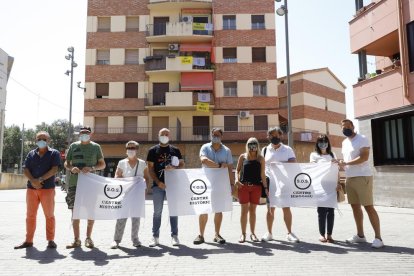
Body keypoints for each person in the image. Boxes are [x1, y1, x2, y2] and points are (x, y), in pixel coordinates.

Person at [338, 119, 384, 248]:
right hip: (350, 177)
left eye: (348, 126)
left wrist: (346, 163)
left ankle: (378, 238)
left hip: (362, 176)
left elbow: (364, 157)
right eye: (343, 127)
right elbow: (347, 159)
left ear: (353, 126)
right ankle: (360, 236)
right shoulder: (344, 142)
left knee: (368, 206)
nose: (345, 129)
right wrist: (341, 162)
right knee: (355, 207)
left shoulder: (362, 138)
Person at [14, 131, 61, 249]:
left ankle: (50, 240)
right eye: (39, 138)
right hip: (31, 189)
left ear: (49, 141)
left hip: (47, 189)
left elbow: (54, 169)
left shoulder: (54, 153)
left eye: (44, 139)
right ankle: (28, 241)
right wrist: (33, 181)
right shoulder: (31, 154)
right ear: (36, 140)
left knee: (49, 215)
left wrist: (39, 180)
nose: (41, 141)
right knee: (30, 215)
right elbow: (26, 169)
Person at [64, 126, 106, 249]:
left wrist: (92, 168)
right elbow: (66, 163)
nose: (84, 135)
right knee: (74, 213)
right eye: (82, 133)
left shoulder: (96, 147)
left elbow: (102, 164)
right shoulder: (73, 146)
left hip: (91, 184)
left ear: (90, 134)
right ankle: (76, 240)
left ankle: (88, 238)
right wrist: (71, 168)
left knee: (90, 212)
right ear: (79, 134)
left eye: (86, 133)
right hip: (74, 184)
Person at [194, 127, 235, 245]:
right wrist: (219, 166)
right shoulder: (205, 147)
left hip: (221, 185)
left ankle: (217, 235)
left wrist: (232, 184)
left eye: (218, 135)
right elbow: (204, 160)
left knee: (219, 209)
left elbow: (230, 168)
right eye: (213, 135)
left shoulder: (227, 151)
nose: (215, 137)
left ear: (221, 137)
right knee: (203, 209)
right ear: (211, 135)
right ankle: (201, 235)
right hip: (206, 184)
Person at [147, 128, 184, 247]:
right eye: (162, 134)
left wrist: (174, 168)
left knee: (173, 211)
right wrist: (158, 182)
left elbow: (182, 164)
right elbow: (150, 169)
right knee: (157, 212)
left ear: (170, 136)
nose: (164, 136)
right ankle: (155, 237)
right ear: (158, 136)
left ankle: (175, 236)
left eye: (166, 134)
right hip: (158, 186)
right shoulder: (152, 150)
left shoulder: (175, 150)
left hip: (173, 185)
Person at [261, 126, 300, 243]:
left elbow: (293, 163)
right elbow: (262, 168)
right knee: (270, 209)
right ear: (268, 137)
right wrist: (264, 185)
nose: (275, 137)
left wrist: (279, 164)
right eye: (272, 135)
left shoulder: (287, 149)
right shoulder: (264, 150)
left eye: (277, 135)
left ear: (281, 136)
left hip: (284, 184)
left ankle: (289, 233)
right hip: (270, 184)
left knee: (286, 208)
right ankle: (269, 233)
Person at [110, 141, 149, 249]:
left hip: (137, 195)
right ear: (126, 150)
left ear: (137, 149)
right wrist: (119, 180)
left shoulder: (142, 163)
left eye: (133, 148)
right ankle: (116, 240)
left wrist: (144, 188)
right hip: (125, 194)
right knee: (121, 217)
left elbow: (146, 177)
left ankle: (135, 239)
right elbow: (117, 175)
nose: (131, 149)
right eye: (129, 148)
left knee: (136, 218)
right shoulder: (122, 162)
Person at [235, 137, 267, 243]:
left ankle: (253, 233)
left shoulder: (261, 159)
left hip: (256, 187)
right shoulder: (242, 157)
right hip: (243, 187)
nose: (252, 146)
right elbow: (237, 170)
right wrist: (236, 180)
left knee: (253, 211)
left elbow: (263, 174)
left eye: (254, 144)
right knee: (244, 211)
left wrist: (266, 188)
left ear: (257, 145)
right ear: (247, 145)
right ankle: (243, 234)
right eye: (250, 144)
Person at [310, 134, 341, 243]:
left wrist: (338, 183)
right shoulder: (314, 155)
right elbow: (313, 168)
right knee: (321, 211)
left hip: (331, 186)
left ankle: (329, 234)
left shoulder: (333, 155)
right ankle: (322, 234)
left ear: (328, 143)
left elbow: (336, 170)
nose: (323, 144)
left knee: (331, 211)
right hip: (319, 186)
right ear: (317, 144)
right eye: (320, 142)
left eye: (325, 141)